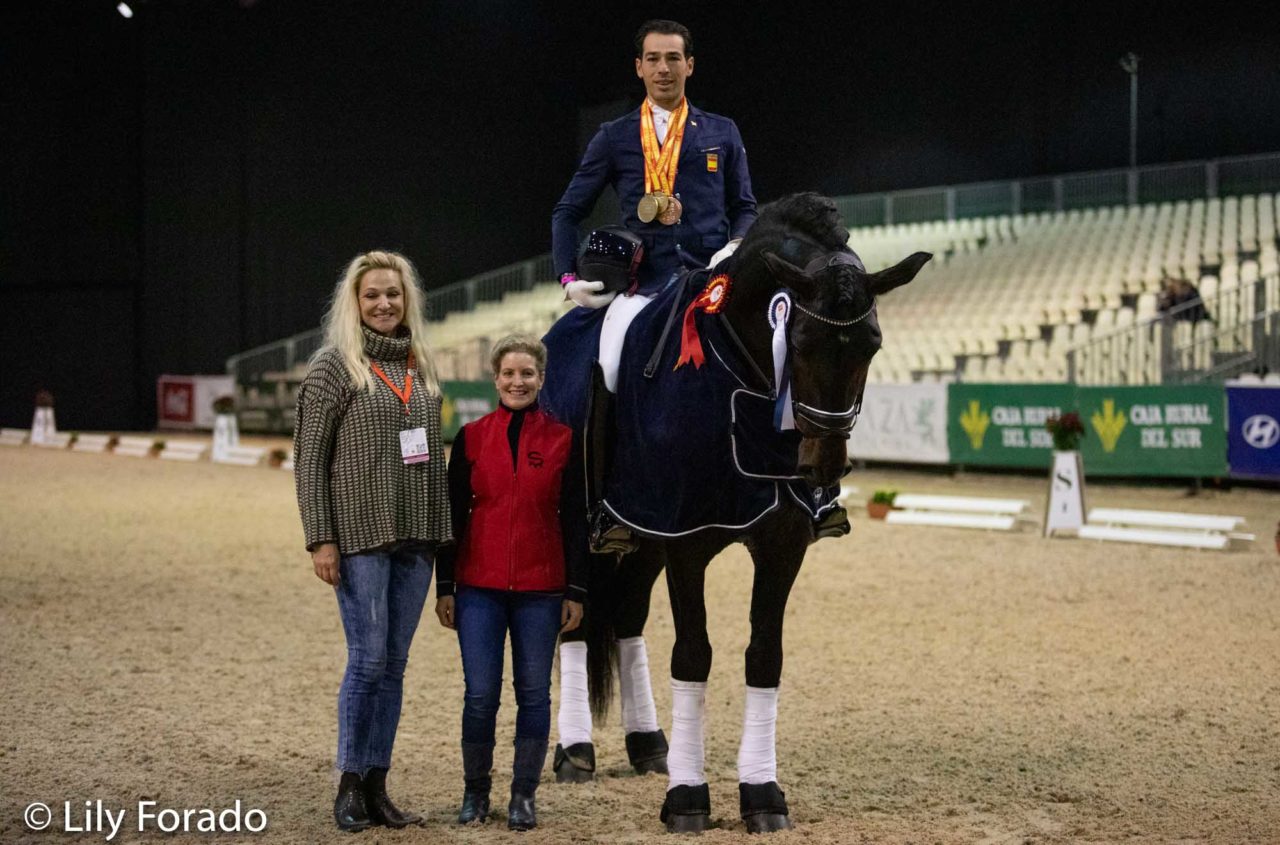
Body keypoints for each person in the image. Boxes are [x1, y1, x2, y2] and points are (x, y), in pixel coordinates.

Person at [293, 250, 450, 833]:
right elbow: (309, 462)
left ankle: (380, 783)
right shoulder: (335, 368)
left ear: (407, 300)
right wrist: (320, 540)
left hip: (417, 537)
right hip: (360, 536)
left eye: (392, 294)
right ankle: (350, 783)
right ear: (354, 305)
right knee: (368, 660)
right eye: (371, 296)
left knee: (397, 665)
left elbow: (429, 454)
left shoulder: (421, 365)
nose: (384, 304)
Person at [434, 335, 587, 831]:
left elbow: (576, 522)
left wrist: (576, 590)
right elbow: (452, 515)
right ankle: (475, 793)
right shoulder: (472, 436)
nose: (517, 382)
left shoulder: (564, 440)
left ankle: (524, 795)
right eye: (508, 374)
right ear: (495, 378)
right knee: (480, 695)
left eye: (527, 374)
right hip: (478, 587)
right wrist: (445, 586)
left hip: (542, 590)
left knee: (534, 694)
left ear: (542, 379)